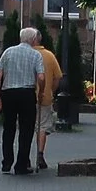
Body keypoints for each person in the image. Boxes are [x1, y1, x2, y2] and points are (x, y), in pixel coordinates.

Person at [0, 26, 47, 175]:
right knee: (26, 130)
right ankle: (21, 165)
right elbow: (41, 77)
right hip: (26, 94)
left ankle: (6, 163)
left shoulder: (8, 52)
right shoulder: (35, 55)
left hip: (8, 93)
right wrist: (41, 91)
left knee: (8, 128)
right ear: (33, 39)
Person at [33, 29, 64, 169]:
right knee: (42, 126)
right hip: (44, 97)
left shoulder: (26, 53)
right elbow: (58, 77)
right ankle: (40, 153)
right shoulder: (49, 55)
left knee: (28, 126)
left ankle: (25, 156)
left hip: (26, 96)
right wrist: (51, 90)